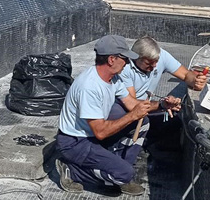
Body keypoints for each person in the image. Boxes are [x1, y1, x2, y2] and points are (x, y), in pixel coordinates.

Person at [55, 35, 154, 196]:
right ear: (112, 59)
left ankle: (118, 170)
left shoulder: (113, 78)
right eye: (125, 59)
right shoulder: (89, 87)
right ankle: (72, 171)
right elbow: (101, 132)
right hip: (75, 143)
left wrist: (162, 105)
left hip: (91, 136)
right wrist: (132, 115)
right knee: (124, 173)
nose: (128, 63)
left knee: (143, 122)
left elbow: (132, 104)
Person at [110, 36, 210, 158]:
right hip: (125, 109)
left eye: (156, 62)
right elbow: (133, 104)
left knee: (176, 121)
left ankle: (147, 144)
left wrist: (195, 80)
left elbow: (185, 74)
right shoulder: (125, 69)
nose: (154, 67)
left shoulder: (161, 56)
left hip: (145, 108)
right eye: (148, 64)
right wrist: (162, 104)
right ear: (136, 57)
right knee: (140, 120)